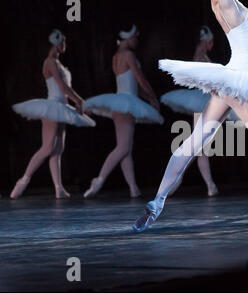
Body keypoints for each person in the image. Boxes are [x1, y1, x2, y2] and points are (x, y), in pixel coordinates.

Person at [133, 0, 248, 232]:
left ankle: (157, 201)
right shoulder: (230, 6)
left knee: (194, 142)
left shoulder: (229, 6)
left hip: (228, 85)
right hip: (241, 84)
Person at [11, 29, 95, 199]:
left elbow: (65, 89)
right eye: (63, 41)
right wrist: (80, 101)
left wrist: (76, 102)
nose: (65, 45)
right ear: (55, 43)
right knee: (48, 147)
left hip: (61, 107)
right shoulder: (50, 62)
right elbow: (63, 88)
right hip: (53, 106)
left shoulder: (58, 63)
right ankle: (22, 182)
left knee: (58, 149)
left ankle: (59, 188)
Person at [83, 25, 163, 198]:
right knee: (123, 147)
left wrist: (146, 98)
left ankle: (133, 188)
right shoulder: (128, 55)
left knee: (126, 148)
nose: (136, 41)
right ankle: (99, 180)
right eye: (135, 37)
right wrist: (153, 98)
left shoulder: (115, 57)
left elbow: (131, 85)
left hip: (121, 103)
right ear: (128, 38)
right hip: (126, 104)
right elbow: (140, 79)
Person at [161, 26, 219, 197]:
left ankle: (208, 185)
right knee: (198, 144)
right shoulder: (202, 58)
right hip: (202, 102)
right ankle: (177, 177)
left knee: (199, 144)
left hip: (200, 102)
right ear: (208, 42)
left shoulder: (198, 55)